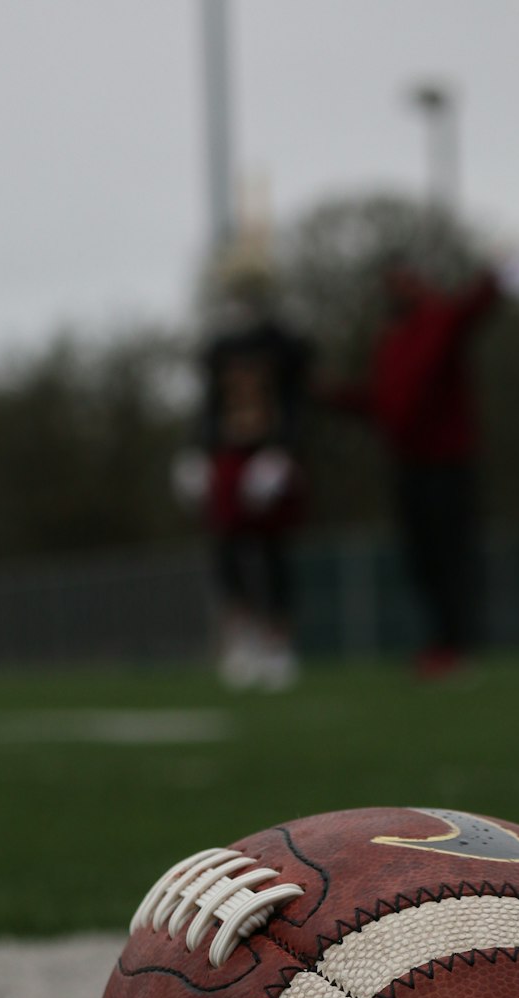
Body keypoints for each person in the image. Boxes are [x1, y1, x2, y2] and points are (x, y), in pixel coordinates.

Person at [325, 254, 519, 678]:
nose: (396, 289)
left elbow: (473, 309)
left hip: (448, 464)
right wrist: (334, 397)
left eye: (403, 281)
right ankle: (440, 641)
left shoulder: (440, 319)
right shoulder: (390, 337)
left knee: (451, 554)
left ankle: (460, 645)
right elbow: (385, 403)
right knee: (422, 559)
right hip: (407, 465)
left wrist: (496, 276)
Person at [173, 233, 313, 691]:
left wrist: (284, 451)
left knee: (273, 554)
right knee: (227, 551)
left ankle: (278, 642)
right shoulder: (218, 347)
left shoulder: (286, 343)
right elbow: (210, 406)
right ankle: (241, 639)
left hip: (268, 453)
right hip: (229, 454)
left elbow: (297, 401)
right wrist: (197, 450)